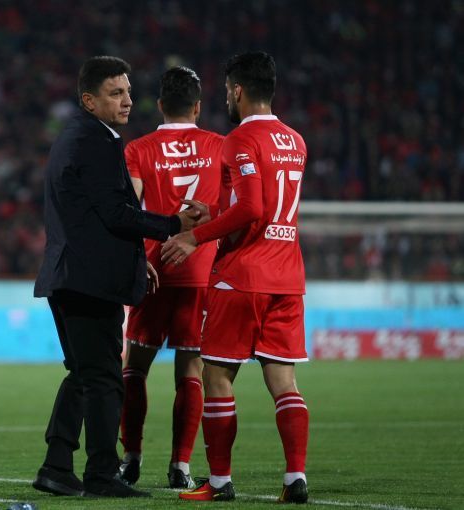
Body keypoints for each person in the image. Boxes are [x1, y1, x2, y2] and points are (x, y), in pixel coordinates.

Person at [32, 55, 208, 499]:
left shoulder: (76, 137)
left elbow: (92, 216)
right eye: (115, 93)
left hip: (70, 274)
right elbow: (116, 214)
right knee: (106, 378)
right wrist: (174, 224)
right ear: (89, 100)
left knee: (83, 373)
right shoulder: (95, 142)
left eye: (128, 91)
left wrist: (134, 258)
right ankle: (101, 474)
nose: (128, 100)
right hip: (90, 281)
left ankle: (56, 466)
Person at [162, 51, 310, 504]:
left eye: (227, 90)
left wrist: (195, 236)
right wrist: (215, 212)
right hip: (287, 277)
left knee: (217, 376)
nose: (226, 97)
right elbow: (263, 207)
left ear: (238, 90)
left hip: (242, 276)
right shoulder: (295, 140)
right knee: (284, 382)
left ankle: (220, 482)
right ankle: (295, 478)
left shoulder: (239, 140)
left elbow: (252, 208)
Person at [117, 66, 224, 490]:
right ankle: (181, 465)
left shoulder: (138, 149)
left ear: (160, 105)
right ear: (197, 107)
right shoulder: (220, 146)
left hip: (153, 270)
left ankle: (131, 458)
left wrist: (134, 258)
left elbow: (128, 212)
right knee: (191, 370)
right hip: (200, 272)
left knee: (134, 368)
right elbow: (234, 208)